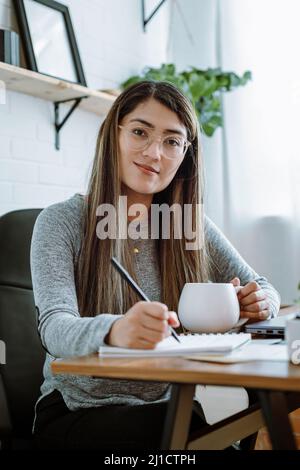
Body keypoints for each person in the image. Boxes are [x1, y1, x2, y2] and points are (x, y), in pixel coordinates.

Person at [30, 81, 280, 450]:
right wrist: (116, 330)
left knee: (209, 430)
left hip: (167, 408)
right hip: (78, 411)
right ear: (112, 135)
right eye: (139, 132)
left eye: (171, 141)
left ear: (185, 155)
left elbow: (262, 285)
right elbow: (54, 327)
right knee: (181, 435)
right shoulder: (62, 221)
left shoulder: (188, 225)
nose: (154, 152)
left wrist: (260, 303)